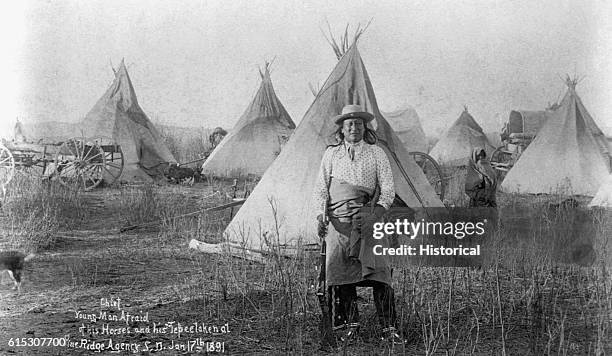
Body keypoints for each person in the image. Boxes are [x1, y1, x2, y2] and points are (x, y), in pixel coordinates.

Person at [313, 104, 403, 344]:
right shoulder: (331, 154)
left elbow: (388, 192)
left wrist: (375, 215)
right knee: (341, 272)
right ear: (342, 129)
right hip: (338, 221)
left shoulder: (377, 153)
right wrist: (321, 217)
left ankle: (389, 328)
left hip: (369, 219)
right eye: (349, 124)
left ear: (365, 127)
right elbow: (321, 190)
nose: (354, 127)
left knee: (380, 272)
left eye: (359, 123)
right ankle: (348, 326)